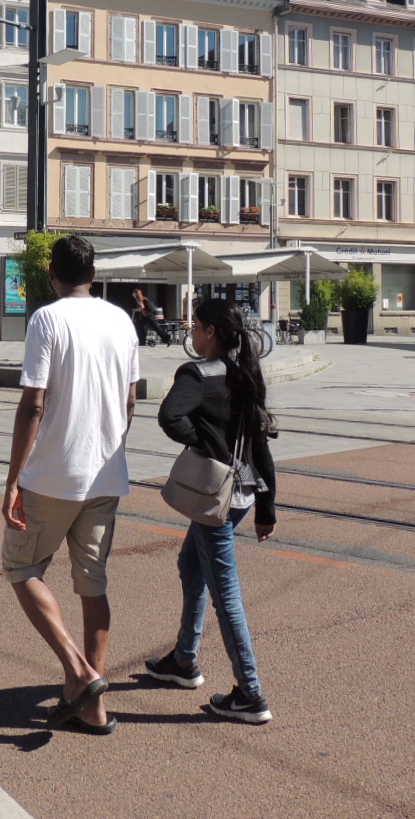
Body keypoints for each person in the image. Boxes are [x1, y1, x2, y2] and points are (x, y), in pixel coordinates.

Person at [3, 235, 140, 735]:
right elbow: (130, 401)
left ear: (53, 276)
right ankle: (92, 705)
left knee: (21, 566)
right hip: (106, 473)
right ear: (94, 274)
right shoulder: (121, 319)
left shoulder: (47, 319)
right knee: (93, 583)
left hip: (52, 475)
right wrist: (109, 447)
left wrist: (13, 477)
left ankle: (79, 673)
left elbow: (33, 404)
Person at [147, 297, 278, 724]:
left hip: (214, 497)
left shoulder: (198, 374)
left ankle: (250, 693)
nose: (192, 332)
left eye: (196, 325)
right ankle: (184, 660)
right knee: (190, 564)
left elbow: (169, 416)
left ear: (210, 333)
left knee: (227, 598)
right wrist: (267, 506)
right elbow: (259, 442)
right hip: (242, 496)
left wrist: (203, 444)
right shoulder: (245, 373)